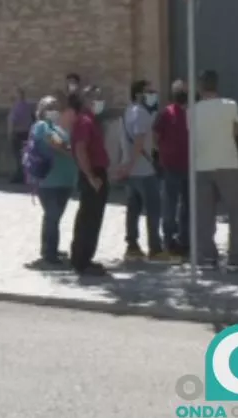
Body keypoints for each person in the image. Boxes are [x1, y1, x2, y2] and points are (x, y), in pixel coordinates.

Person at [192, 70, 238, 269]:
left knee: (204, 215)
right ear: (217, 85)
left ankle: (208, 257)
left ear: (199, 86)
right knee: (237, 212)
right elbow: (237, 134)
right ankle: (236, 259)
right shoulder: (230, 105)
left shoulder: (192, 110)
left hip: (201, 165)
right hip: (228, 164)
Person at [118, 79, 165, 260]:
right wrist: (131, 164)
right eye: (149, 91)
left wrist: (125, 165)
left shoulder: (128, 111)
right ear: (139, 94)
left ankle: (132, 246)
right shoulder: (141, 113)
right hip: (143, 170)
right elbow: (139, 141)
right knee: (153, 209)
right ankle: (155, 248)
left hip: (131, 170)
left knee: (133, 209)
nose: (153, 94)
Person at [28, 96, 78, 265]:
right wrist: (75, 153)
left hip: (64, 180)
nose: (54, 110)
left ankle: (50, 248)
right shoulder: (41, 126)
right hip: (50, 181)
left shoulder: (57, 127)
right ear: (41, 111)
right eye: (50, 107)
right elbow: (55, 143)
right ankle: (49, 253)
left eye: (56, 106)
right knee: (52, 216)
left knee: (54, 217)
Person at [68, 89, 109, 275]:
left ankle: (83, 258)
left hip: (96, 172)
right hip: (92, 173)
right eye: (96, 97)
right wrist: (91, 176)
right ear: (86, 100)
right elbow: (80, 150)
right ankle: (82, 261)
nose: (100, 100)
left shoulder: (90, 120)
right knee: (89, 218)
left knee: (91, 217)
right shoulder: (85, 121)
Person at [152, 81, 191, 257]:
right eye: (180, 91)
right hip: (170, 166)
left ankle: (185, 239)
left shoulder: (192, 113)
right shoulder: (166, 113)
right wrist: (162, 152)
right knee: (170, 204)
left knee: (187, 206)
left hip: (189, 166)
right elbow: (155, 135)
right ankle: (168, 240)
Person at [7, 88, 34, 182]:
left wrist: (10, 133)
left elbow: (12, 121)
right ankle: (25, 175)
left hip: (17, 133)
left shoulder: (16, 107)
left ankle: (20, 175)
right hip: (26, 132)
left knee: (18, 156)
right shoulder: (28, 106)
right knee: (25, 155)